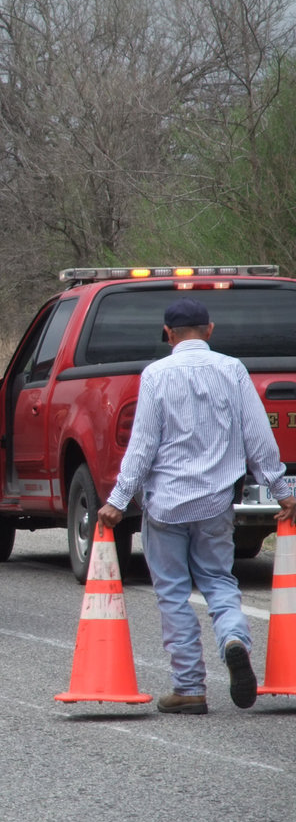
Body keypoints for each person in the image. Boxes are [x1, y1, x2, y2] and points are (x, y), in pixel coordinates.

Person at [98, 298, 296, 714]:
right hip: (215, 503)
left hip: (166, 506)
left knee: (172, 594)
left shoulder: (155, 375)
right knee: (219, 582)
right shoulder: (232, 370)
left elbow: (142, 446)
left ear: (167, 334)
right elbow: (258, 437)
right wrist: (281, 489)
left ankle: (189, 688)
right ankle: (233, 638)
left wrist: (117, 501)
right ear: (209, 330)